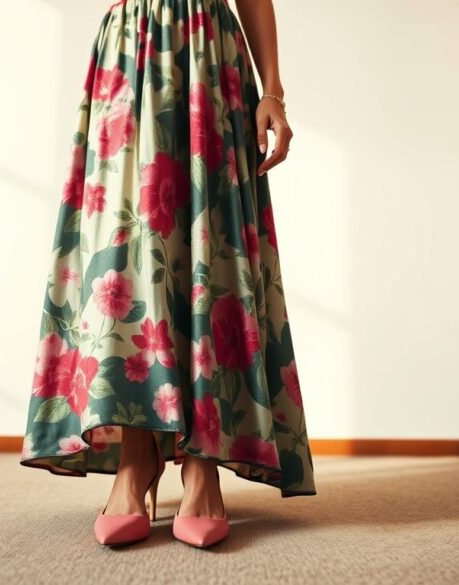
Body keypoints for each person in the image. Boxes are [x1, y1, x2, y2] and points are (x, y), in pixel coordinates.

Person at [20, 0, 316, 549]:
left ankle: (200, 462)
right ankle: (137, 459)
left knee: (212, 252)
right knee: (125, 256)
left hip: (210, 50)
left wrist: (272, 92)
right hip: (128, 48)